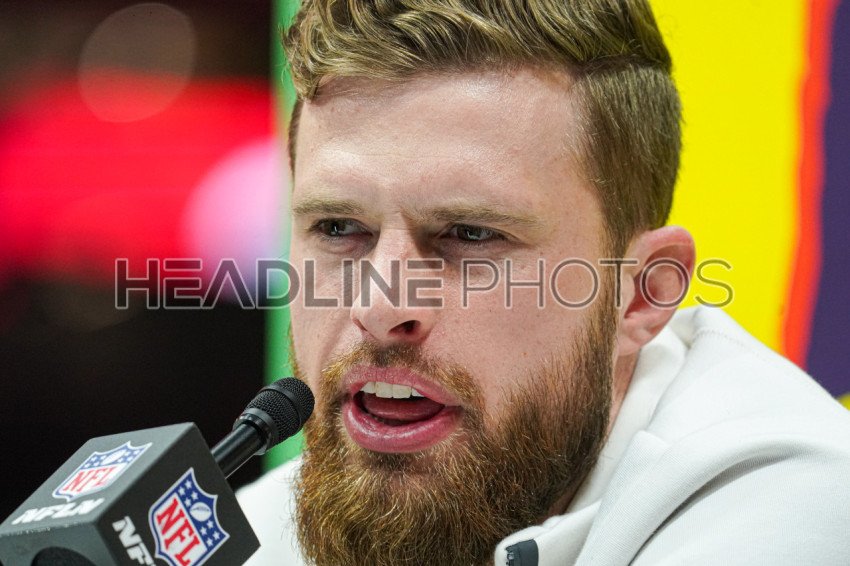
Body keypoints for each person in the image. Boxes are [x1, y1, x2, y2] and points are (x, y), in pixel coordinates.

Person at [238, 0, 850, 564]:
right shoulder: (254, 529)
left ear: (641, 293)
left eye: (471, 234)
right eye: (339, 227)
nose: (380, 306)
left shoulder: (789, 508)